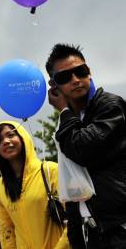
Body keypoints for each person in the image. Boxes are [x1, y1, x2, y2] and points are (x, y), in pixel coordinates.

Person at [46, 43, 126, 249]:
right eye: (65, 77)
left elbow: (82, 149)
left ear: (88, 71)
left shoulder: (110, 106)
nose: (75, 80)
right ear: (54, 86)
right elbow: (73, 182)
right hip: (92, 233)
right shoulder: (67, 124)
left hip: (119, 229)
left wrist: (63, 111)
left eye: (80, 71)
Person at [0, 121, 69, 249]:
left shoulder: (50, 171)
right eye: (0, 140)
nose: (6, 141)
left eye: (11, 135)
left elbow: (74, 217)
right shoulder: (0, 187)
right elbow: (7, 230)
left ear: (23, 138)